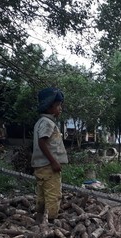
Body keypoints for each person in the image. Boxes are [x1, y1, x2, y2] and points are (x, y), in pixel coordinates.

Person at [31, 87, 68, 224]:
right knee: (53, 195)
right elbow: (42, 142)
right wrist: (53, 162)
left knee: (42, 195)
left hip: (40, 167)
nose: (60, 108)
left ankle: (39, 220)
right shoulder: (47, 123)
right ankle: (50, 223)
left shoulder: (40, 122)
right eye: (58, 105)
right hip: (49, 167)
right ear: (49, 107)